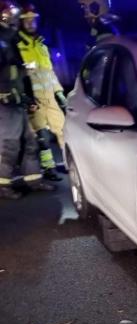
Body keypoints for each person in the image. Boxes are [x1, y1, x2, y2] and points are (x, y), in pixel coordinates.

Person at [0, 0, 55, 199]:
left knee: (30, 141)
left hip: (17, 98)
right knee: (9, 144)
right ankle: (2, 185)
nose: (14, 15)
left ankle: (34, 180)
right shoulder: (3, 37)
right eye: (9, 12)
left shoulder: (10, 37)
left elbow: (18, 71)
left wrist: (27, 96)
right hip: (5, 101)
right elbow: (8, 70)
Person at [18, 3, 65, 181]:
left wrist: (59, 93)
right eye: (27, 21)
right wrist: (25, 97)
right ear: (21, 23)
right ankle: (48, 168)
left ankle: (69, 163)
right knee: (41, 135)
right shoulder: (18, 46)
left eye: (33, 20)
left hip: (50, 98)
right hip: (34, 101)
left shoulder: (42, 46)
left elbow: (50, 73)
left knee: (62, 130)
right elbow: (20, 75)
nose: (31, 24)